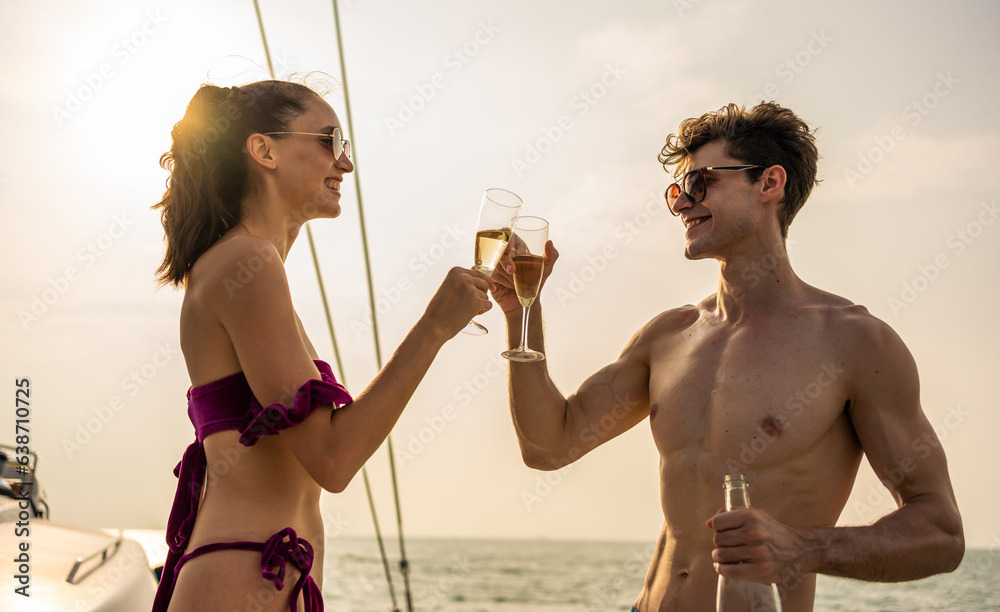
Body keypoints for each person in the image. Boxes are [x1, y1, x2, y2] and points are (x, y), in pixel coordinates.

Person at [491, 102, 965, 611]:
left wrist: (804, 548)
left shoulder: (853, 342)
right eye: (677, 191)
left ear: (769, 184)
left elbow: (939, 531)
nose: (683, 204)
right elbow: (550, 445)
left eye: (701, 183)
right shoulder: (669, 335)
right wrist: (524, 309)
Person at [150, 80, 494, 612]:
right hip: (242, 577)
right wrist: (433, 328)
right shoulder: (247, 263)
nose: (346, 164)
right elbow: (332, 459)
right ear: (264, 150)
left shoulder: (240, 265)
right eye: (331, 141)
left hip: (252, 575)